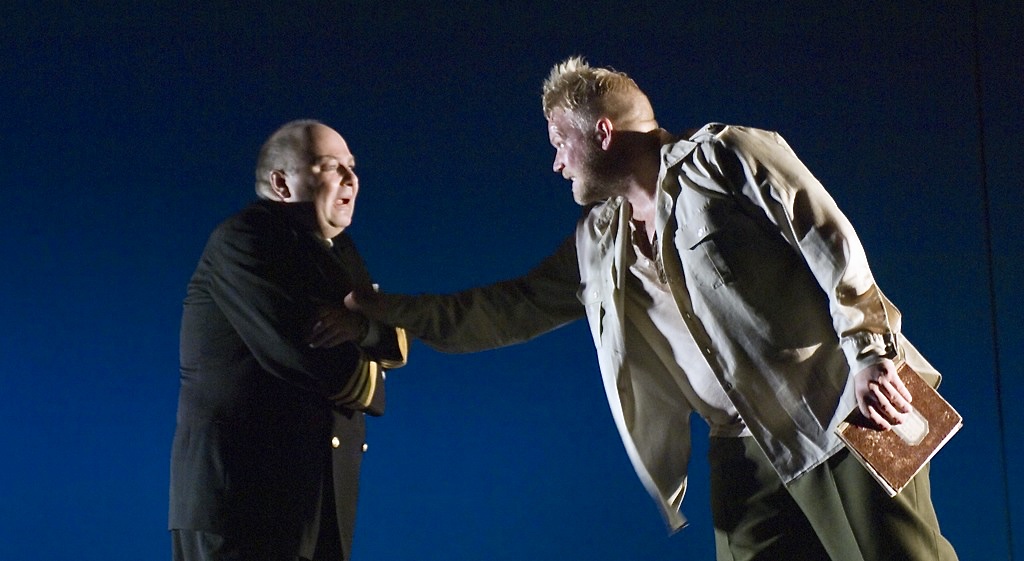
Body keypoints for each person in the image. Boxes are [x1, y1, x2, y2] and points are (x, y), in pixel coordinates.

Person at [345, 59, 958, 560]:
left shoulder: (726, 154)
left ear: (601, 132)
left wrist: (872, 354)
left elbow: (831, 240)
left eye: (559, 143)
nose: (555, 163)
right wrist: (387, 312)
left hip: (850, 402)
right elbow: (508, 308)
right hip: (742, 452)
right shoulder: (597, 243)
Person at [169, 120, 408, 561]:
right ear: (281, 184)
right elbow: (315, 359)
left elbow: (393, 337)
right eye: (330, 166)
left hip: (312, 505)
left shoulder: (340, 250)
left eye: (352, 166)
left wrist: (362, 331)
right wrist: (371, 358)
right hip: (244, 508)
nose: (351, 179)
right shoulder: (248, 238)